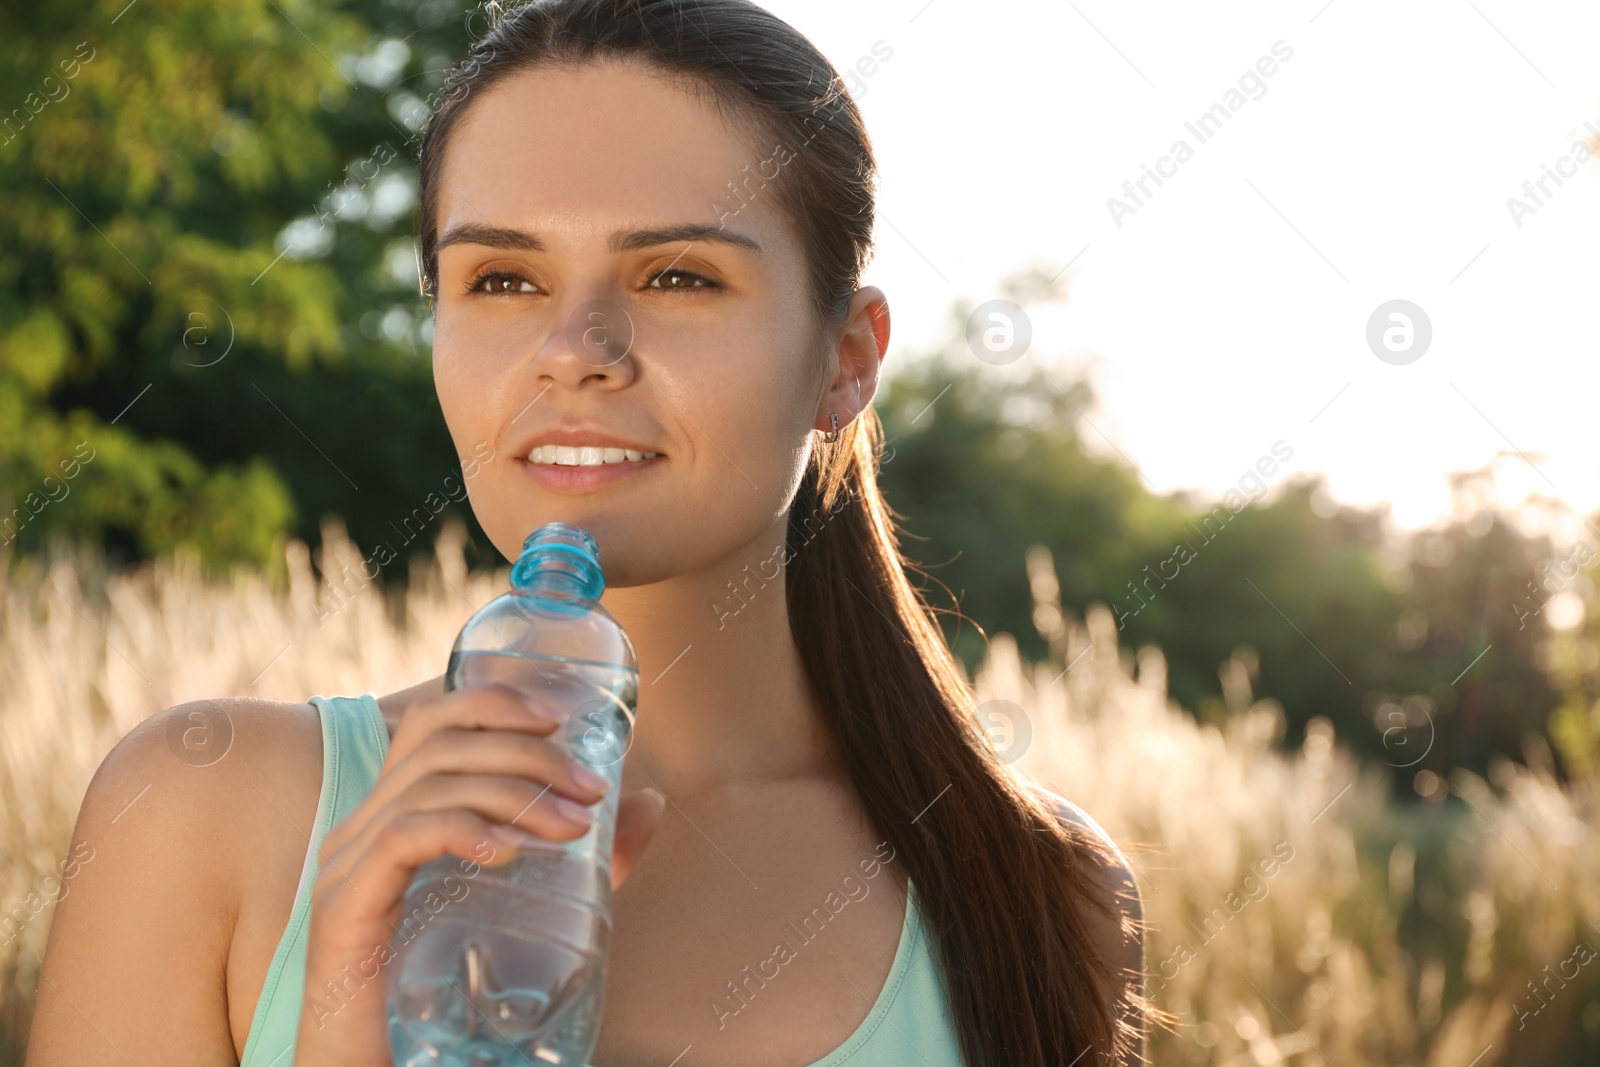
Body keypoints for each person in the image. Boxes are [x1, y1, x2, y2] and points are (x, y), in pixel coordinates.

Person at [26, 1, 1153, 1063]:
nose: (576, 347)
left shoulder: (1042, 896)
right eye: (503, 277)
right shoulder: (199, 812)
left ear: (847, 358)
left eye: (676, 274)